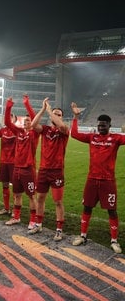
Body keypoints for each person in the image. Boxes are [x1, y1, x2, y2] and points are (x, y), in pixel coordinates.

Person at [70, 102, 125, 254]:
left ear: (109, 125)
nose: (101, 128)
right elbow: (74, 134)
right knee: (87, 207)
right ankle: (83, 236)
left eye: (104, 125)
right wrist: (76, 117)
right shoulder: (91, 137)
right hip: (92, 180)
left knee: (112, 211)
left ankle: (114, 240)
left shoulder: (116, 139)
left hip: (108, 181)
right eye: (99, 125)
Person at [28, 97, 69, 241]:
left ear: (62, 118)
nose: (56, 116)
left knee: (58, 201)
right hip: (44, 170)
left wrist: (51, 110)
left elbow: (60, 124)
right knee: (40, 198)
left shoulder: (64, 130)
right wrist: (43, 110)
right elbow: (33, 125)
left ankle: (59, 229)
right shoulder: (45, 130)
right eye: (55, 114)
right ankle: (38, 224)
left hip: (57, 171)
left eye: (59, 115)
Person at [3, 96, 39, 228]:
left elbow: (34, 117)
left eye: (28, 121)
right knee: (17, 194)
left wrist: (27, 104)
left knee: (31, 196)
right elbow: (7, 122)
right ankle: (16, 217)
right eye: (25, 121)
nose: (26, 122)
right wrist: (8, 106)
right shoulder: (18, 132)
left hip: (28, 169)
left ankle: (33, 220)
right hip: (17, 168)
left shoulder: (34, 134)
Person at [0, 110, 16, 216]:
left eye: (11, 117)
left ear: (14, 120)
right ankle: (6, 208)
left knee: (16, 188)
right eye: (7, 117)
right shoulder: (2, 130)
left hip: (14, 163)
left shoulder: (17, 131)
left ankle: (15, 210)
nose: (8, 119)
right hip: (3, 162)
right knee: (4, 185)